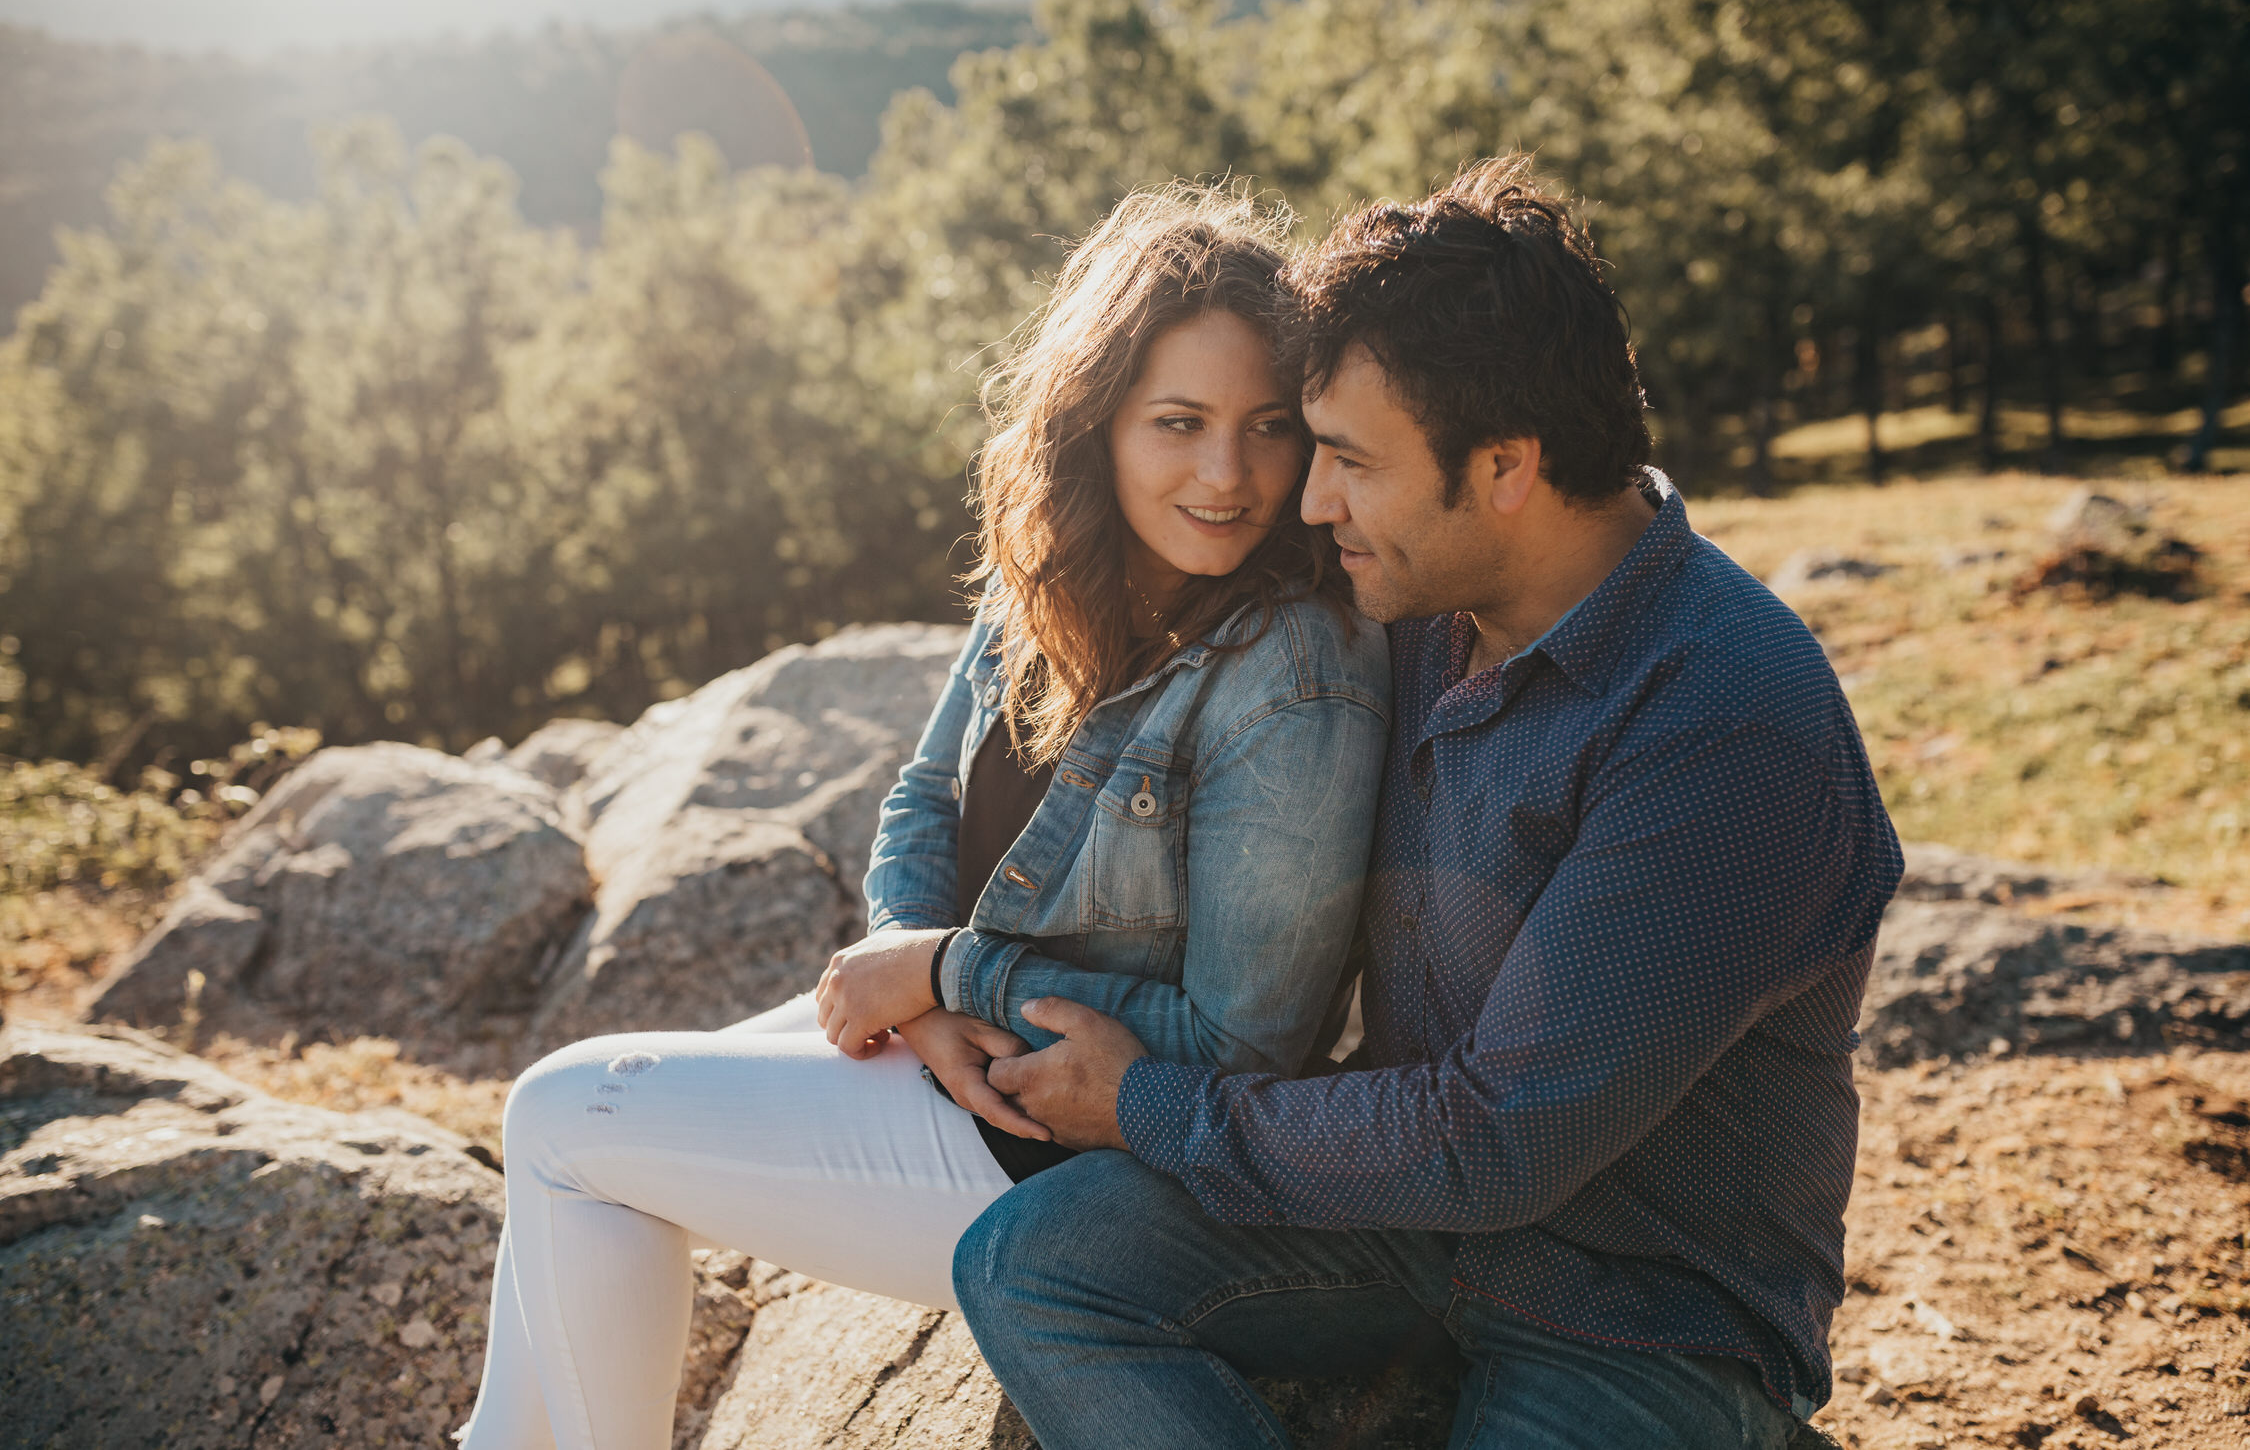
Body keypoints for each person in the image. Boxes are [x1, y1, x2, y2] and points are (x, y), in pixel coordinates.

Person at [950, 156, 1904, 1450]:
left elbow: (1496, 1141)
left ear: (1504, 466)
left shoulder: (1724, 722)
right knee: (1032, 1262)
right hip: (1397, 1233)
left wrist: (1142, 1102)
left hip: (1634, 1317)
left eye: (1348, 459)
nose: (1310, 498)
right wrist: (938, 955)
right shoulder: (1411, 602)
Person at [454, 185, 1392, 1449]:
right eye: (1180, 422)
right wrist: (928, 992)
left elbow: (1245, 1046)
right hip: (958, 1054)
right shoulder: (1053, 581)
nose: (1228, 475)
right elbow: (918, 803)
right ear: (1097, 424)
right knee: (589, 1150)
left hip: (1066, 1152)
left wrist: (953, 973)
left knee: (570, 1120)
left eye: (1269, 428)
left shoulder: (1297, 671)